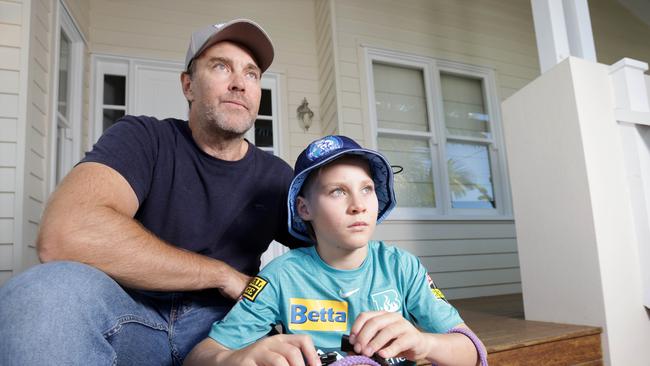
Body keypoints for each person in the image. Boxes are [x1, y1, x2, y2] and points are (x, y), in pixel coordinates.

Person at [0, 19, 308, 365]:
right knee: (44, 292)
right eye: (221, 67)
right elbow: (65, 233)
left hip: (227, 328)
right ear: (188, 85)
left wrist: (379, 311)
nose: (239, 84)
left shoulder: (278, 177)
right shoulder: (143, 138)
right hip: (133, 314)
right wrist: (221, 274)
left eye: (251, 74)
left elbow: (337, 257)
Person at [184, 135, 488, 366]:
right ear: (304, 208)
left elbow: (473, 351)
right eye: (338, 191)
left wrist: (424, 343)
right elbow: (200, 355)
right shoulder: (282, 276)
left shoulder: (402, 268)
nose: (358, 205)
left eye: (366, 188)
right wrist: (239, 358)